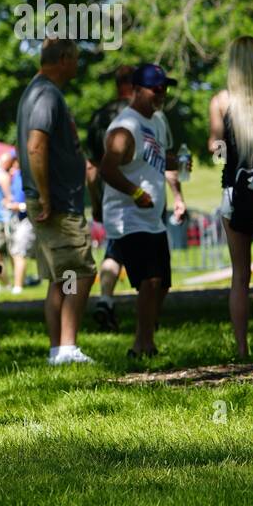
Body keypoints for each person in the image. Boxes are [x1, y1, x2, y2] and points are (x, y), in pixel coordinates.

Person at [17, 35, 96, 365]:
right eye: (75, 58)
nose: (77, 65)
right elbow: (36, 146)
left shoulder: (36, 90)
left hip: (51, 198)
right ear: (63, 59)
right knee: (80, 271)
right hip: (58, 201)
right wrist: (48, 196)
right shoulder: (47, 94)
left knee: (58, 276)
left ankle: (58, 350)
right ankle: (67, 348)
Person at [88, 67, 185, 330]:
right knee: (150, 280)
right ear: (137, 90)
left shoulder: (156, 121)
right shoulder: (125, 126)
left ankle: (147, 329)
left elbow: (157, 158)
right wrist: (136, 193)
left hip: (153, 216)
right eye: (156, 89)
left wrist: (176, 162)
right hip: (128, 215)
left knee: (162, 283)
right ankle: (143, 342)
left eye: (165, 88)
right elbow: (107, 168)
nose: (162, 94)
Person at [208, 35, 253, 360]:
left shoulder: (221, 101)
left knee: (240, 276)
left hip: (234, 193)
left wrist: (220, 147)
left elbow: (216, 148)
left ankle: (241, 349)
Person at [2, 150, 35, 294]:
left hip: (28, 218)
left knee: (19, 253)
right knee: (16, 252)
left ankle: (18, 286)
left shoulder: (29, 175)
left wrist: (20, 206)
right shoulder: (16, 175)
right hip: (19, 218)